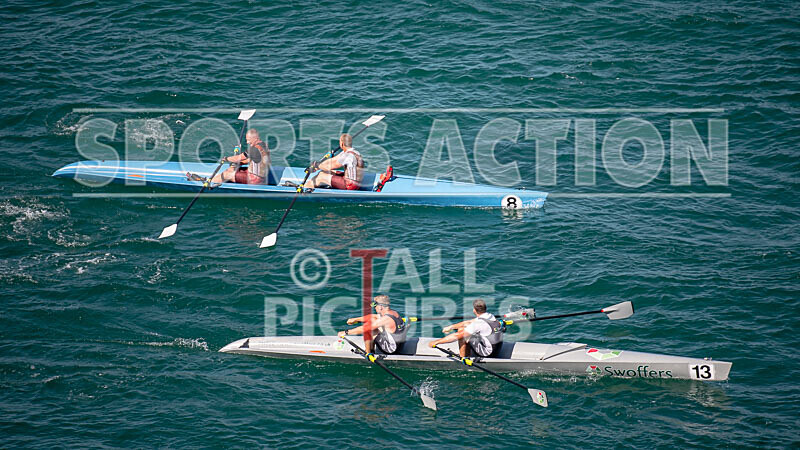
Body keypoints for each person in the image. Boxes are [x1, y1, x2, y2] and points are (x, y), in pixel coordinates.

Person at [189, 129, 270, 185]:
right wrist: (240, 163)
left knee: (228, 174)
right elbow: (251, 159)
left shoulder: (254, 149)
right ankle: (213, 179)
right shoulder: (264, 145)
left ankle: (207, 182)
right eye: (246, 140)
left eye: (249, 140)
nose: (247, 142)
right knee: (232, 169)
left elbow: (239, 157)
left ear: (256, 138)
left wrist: (226, 159)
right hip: (262, 177)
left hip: (255, 180)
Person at [428, 299, 504, 358]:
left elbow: (457, 336)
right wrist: (451, 327)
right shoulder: (490, 316)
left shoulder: (478, 324)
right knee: (463, 329)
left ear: (474, 310)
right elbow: (468, 322)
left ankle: (463, 358)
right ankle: (467, 353)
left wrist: (436, 342)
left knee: (463, 335)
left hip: (488, 354)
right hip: (496, 350)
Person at [338, 295, 408, 354]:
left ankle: (368, 353)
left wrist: (345, 332)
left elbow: (364, 329)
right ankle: (371, 349)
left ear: (380, 307)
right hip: (400, 345)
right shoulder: (393, 313)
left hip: (392, 349)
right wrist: (355, 319)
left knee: (368, 330)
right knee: (373, 320)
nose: (374, 308)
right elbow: (373, 316)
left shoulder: (385, 319)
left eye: (375, 305)